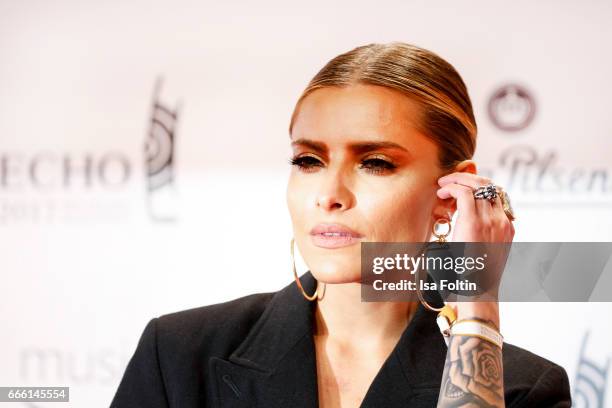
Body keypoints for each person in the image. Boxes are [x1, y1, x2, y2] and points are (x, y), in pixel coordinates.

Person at [111, 42, 571, 407]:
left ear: (450, 193)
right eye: (308, 160)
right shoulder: (178, 355)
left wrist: (477, 309)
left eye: (374, 162)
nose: (329, 194)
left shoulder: (524, 390)